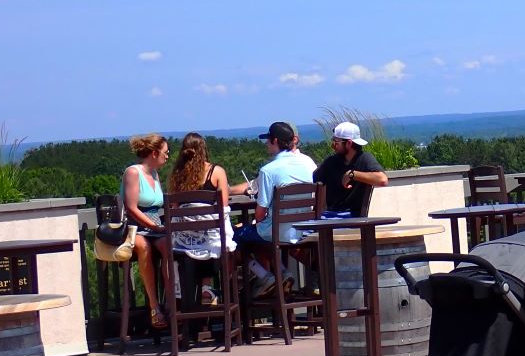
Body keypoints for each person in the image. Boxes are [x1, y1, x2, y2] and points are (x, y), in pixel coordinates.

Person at [232, 121, 318, 296]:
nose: (266, 144)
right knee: (259, 235)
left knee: (233, 237)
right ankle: (282, 274)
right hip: (305, 230)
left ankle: (265, 276)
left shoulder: (268, 171)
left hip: (278, 233)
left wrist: (259, 220)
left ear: (276, 141)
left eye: (268, 140)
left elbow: (260, 213)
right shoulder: (309, 164)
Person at [166, 132, 235, 305]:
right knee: (225, 245)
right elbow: (224, 206)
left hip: (185, 243)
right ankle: (213, 291)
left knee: (193, 252)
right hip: (211, 239)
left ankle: (192, 297)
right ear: (204, 149)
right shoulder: (216, 172)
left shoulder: (177, 175)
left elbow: (174, 208)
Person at [121, 133, 171, 329]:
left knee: (169, 246)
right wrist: (154, 226)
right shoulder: (133, 172)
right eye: (165, 153)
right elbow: (131, 207)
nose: (167, 156)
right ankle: (154, 305)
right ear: (154, 152)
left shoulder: (155, 174)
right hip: (135, 227)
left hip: (155, 225)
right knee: (143, 247)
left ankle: (170, 301)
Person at [313, 121, 388, 217]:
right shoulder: (331, 162)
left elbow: (382, 180)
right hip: (329, 214)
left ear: (348, 143)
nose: (333, 146)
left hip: (351, 216)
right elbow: (314, 181)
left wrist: (352, 174)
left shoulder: (364, 159)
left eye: (336, 142)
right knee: (303, 229)